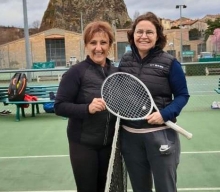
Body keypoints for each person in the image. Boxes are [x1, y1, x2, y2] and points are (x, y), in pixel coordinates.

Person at [118, 12, 190, 192]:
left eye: (149, 32)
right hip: (130, 136)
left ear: (157, 35)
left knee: (165, 188)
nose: (143, 36)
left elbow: (182, 95)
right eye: (139, 32)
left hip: (161, 135)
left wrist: (164, 114)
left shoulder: (170, 63)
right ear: (132, 35)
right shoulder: (125, 60)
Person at [54, 21, 118, 192]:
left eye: (103, 42)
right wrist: (87, 109)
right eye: (93, 43)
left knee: (106, 188)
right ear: (86, 46)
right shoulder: (76, 72)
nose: (98, 48)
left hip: (109, 144)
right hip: (83, 145)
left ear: (110, 46)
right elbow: (59, 106)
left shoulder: (116, 73)